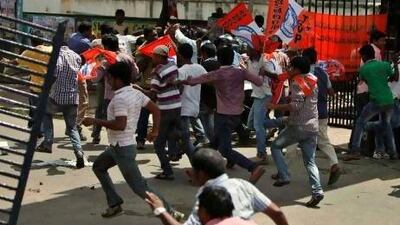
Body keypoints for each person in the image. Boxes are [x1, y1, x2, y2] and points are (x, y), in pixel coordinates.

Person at [82, 62, 183, 220]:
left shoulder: (120, 99)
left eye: (109, 79)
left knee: (139, 187)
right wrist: (154, 131)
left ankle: (170, 212)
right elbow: (155, 110)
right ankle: (114, 203)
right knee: (99, 166)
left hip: (123, 148)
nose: (107, 82)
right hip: (119, 146)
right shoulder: (135, 93)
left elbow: (120, 125)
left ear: (117, 79)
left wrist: (95, 121)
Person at [182, 47, 265, 184]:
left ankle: (253, 167)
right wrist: (261, 73)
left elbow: (194, 81)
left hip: (223, 116)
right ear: (232, 57)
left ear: (218, 59)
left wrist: (182, 80)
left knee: (224, 149)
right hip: (237, 114)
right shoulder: (241, 72)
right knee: (213, 144)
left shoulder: (218, 73)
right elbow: (259, 82)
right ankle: (199, 171)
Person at [145, 148, 289, 225]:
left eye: (193, 169)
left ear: (201, 173)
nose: (189, 172)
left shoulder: (207, 199)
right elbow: (277, 213)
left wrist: (160, 210)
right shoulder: (243, 184)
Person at [267, 56, 324, 207]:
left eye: (291, 67)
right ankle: (317, 191)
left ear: (297, 69)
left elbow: (295, 106)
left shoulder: (297, 82)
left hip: (298, 126)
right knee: (310, 162)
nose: (289, 70)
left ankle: (284, 175)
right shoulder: (313, 79)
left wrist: (275, 107)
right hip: (312, 125)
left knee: (275, 146)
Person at [346, 45, 398, 160]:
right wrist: (394, 63)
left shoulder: (364, 69)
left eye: (361, 57)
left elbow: (362, 81)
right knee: (386, 125)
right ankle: (393, 152)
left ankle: (355, 150)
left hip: (376, 100)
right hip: (389, 99)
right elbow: (394, 77)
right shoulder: (385, 65)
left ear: (364, 56)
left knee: (360, 122)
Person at [36, 46, 84, 169]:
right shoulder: (76, 56)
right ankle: (78, 152)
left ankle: (48, 142)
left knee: (45, 113)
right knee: (72, 127)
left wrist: (46, 86)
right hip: (73, 97)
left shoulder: (58, 56)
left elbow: (55, 72)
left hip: (57, 96)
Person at [302, 47, 341, 185]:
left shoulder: (305, 74)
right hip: (322, 112)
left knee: (293, 141)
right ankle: (334, 163)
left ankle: (284, 172)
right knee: (323, 140)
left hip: (308, 113)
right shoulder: (323, 73)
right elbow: (331, 92)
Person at [91, 34, 139, 144]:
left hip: (111, 97)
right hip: (128, 94)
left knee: (112, 122)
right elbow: (136, 73)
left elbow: (95, 78)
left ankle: (115, 145)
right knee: (127, 121)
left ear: (106, 46)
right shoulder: (127, 58)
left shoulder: (106, 60)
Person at [151, 45, 182, 180]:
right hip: (177, 105)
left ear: (159, 56)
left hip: (165, 108)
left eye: (154, 56)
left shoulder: (157, 71)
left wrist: (137, 89)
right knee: (171, 133)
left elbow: (152, 93)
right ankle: (175, 151)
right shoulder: (173, 66)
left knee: (158, 143)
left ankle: (167, 170)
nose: (152, 58)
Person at [245, 47, 281, 162]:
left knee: (258, 126)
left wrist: (265, 72)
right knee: (251, 123)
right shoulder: (249, 61)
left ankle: (262, 154)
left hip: (264, 95)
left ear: (256, 50)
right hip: (256, 95)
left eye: (249, 48)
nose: (247, 50)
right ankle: (281, 122)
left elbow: (276, 76)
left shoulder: (265, 61)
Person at [16, 32, 52, 134]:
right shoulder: (51, 49)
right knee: (45, 110)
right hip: (49, 86)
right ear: (43, 41)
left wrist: (5, 61)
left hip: (35, 86)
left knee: (36, 109)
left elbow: (17, 62)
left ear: (31, 42)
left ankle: (38, 130)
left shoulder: (29, 52)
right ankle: (41, 130)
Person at [177, 43, 208, 161]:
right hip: (195, 105)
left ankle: (197, 163)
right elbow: (207, 80)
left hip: (183, 107)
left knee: (184, 138)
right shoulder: (199, 68)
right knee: (189, 135)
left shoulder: (181, 71)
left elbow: (179, 90)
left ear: (180, 55)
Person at [68, 21, 93, 142]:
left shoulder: (72, 37)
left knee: (73, 101)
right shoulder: (85, 43)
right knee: (84, 101)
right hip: (79, 73)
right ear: (86, 31)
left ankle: (71, 125)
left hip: (68, 72)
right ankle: (76, 126)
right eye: (90, 31)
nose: (92, 33)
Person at [135, 27, 159, 150]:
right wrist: (148, 56)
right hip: (145, 86)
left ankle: (159, 141)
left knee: (159, 115)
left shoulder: (161, 47)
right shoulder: (141, 50)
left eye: (156, 35)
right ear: (146, 37)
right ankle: (140, 139)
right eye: (153, 35)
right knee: (143, 116)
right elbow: (138, 68)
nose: (156, 37)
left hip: (159, 87)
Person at [199, 42, 220, 145]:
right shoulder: (219, 63)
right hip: (219, 98)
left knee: (207, 122)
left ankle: (213, 143)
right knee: (215, 122)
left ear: (204, 53)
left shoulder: (204, 65)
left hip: (206, 98)